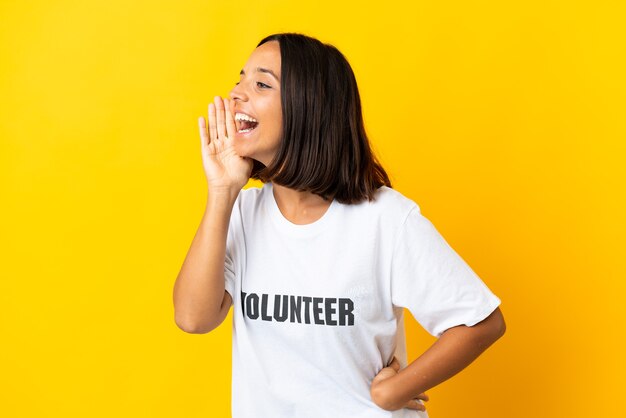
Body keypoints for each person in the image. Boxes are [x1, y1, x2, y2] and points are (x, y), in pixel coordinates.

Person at [173, 33, 506, 418]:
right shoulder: (242, 211)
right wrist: (221, 190)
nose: (236, 94)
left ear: (309, 109)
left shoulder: (385, 219)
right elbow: (193, 318)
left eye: (261, 83)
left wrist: (395, 391)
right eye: (240, 79)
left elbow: (482, 321)